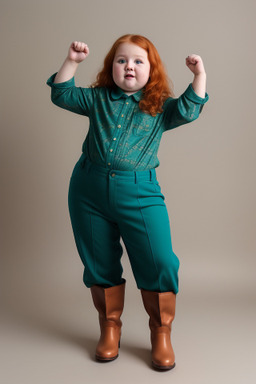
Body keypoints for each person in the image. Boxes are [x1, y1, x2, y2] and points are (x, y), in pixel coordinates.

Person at [46, 34, 209, 371]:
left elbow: (191, 108)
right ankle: (110, 327)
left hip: (139, 193)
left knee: (158, 259)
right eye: (121, 60)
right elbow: (61, 94)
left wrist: (199, 75)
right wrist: (72, 62)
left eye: (138, 61)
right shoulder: (98, 99)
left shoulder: (161, 106)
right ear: (111, 68)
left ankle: (161, 331)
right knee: (99, 260)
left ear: (152, 70)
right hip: (88, 191)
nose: (129, 67)